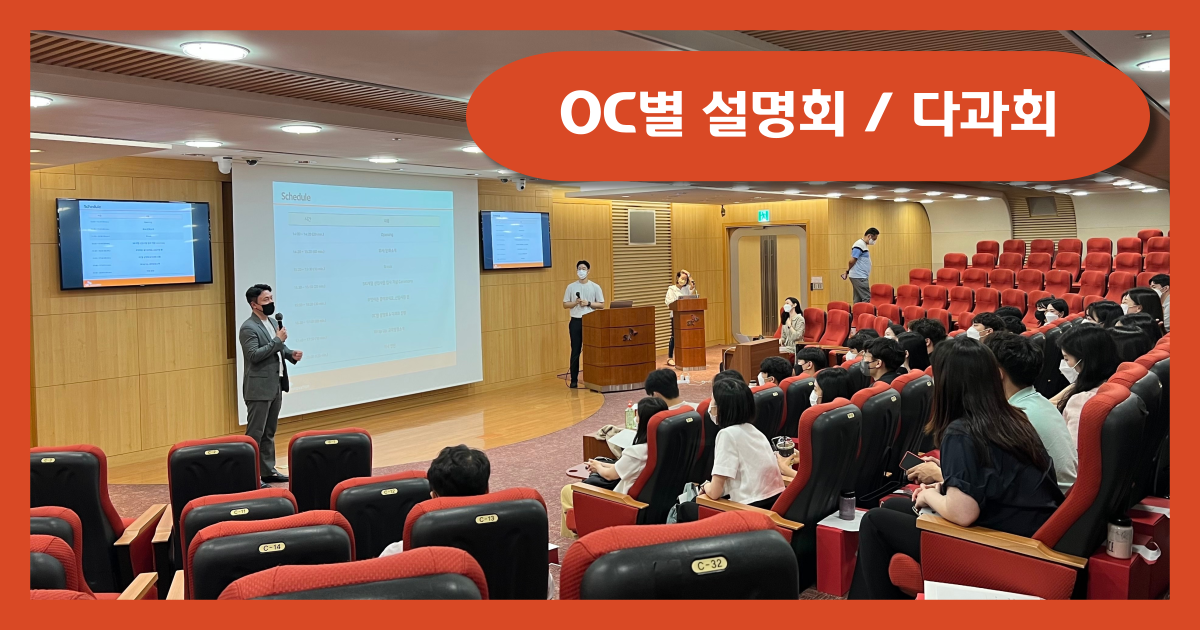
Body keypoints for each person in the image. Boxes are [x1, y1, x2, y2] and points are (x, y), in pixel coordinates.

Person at [848, 336, 1063, 599]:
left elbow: (963, 513)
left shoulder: (962, 431)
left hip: (1004, 546)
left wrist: (929, 495)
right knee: (893, 506)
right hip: (1025, 530)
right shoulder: (1010, 416)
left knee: (874, 522)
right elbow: (992, 478)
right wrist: (944, 487)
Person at [385, 445, 557, 598]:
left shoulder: (399, 552)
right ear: (487, 490)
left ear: (434, 497)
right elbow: (546, 591)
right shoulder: (525, 544)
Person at [983, 332, 1078, 492]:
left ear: (998, 374)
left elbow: (988, 483)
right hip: (1062, 495)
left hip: (1049, 501)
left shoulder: (1015, 416)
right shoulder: (1039, 402)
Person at [682, 379, 785, 520]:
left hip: (747, 509)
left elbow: (714, 492)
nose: (711, 406)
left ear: (722, 408)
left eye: (713, 401)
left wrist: (705, 486)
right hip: (771, 502)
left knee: (685, 508)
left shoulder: (727, 434)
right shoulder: (754, 431)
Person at [240, 284, 302, 485]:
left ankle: (267, 471)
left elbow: (278, 348)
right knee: (255, 434)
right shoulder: (248, 327)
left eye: (271, 298)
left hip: (275, 385)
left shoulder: (273, 322)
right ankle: (250, 475)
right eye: (266, 300)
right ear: (254, 305)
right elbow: (254, 355)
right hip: (258, 389)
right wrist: (277, 340)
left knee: (269, 431)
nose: (271, 302)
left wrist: (290, 354)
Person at [1052, 325, 1120, 444]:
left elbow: (1072, 449)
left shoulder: (1081, 401)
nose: (1065, 364)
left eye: (1066, 359)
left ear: (1084, 360)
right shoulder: (1114, 378)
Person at [563, 260, 605, 388]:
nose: (581, 271)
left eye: (584, 268)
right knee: (575, 350)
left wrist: (588, 303)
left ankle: (592, 379)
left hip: (590, 322)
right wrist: (575, 303)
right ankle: (574, 380)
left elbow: (601, 305)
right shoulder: (571, 287)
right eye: (579, 269)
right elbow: (565, 304)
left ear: (588, 271)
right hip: (575, 321)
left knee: (591, 351)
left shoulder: (595, 287)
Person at [665, 270, 697, 366]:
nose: (684, 280)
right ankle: (670, 357)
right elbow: (668, 302)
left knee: (686, 335)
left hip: (685, 316)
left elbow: (693, 286)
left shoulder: (686, 289)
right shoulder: (671, 289)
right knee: (674, 336)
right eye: (682, 278)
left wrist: (689, 276)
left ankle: (686, 356)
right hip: (675, 316)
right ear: (677, 278)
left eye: (685, 279)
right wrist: (677, 302)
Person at [842, 227, 880, 304]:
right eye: (874, 239)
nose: (874, 241)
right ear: (869, 236)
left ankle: (857, 312)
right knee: (866, 297)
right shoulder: (859, 245)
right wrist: (847, 270)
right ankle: (865, 312)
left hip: (858, 275)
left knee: (858, 299)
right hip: (859, 276)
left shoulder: (863, 245)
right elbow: (852, 261)